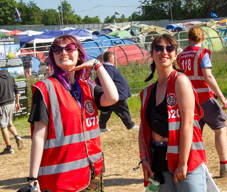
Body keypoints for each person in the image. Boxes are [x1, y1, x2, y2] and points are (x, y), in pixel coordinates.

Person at [27, 35, 118, 192]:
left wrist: (97, 65)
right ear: (52, 56)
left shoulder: (87, 87)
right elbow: (38, 136)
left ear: (79, 54)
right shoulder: (45, 89)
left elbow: (113, 97)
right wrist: (33, 178)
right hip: (61, 179)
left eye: (69, 48)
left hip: (92, 173)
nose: (63, 52)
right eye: (57, 49)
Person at [138, 34, 211, 192]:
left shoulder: (180, 81)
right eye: (159, 48)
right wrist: (143, 159)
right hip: (159, 160)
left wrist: (183, 163)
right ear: (151, 54)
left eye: (169, 48)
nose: (164, 52)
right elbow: (143, 129)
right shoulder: (147, 92)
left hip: (186, 160)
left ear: (175, 54)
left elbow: (188, 123)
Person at [177, 26, 227, 178]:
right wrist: (222, 97)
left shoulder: (180, 56)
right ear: (202, 38)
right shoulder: (202, 53)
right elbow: (208, 76)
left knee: (193, 135)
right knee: (220, 129)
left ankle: (194, 168)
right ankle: (225, 167)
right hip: (205, 99)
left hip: (188, 101)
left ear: (189, 38)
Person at [95, 51, 139, 132]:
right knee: (122, 109)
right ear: (110, 59)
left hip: (115, 94)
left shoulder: (107, 67)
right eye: (114, 58)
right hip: (117, 94)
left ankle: (101, 126)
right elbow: (107, 81)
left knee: (107, 110)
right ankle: (130, 125)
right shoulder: (107, 68)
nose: (115, 60)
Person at [0, 68, 24, 154]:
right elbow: (17, 90)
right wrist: (17, 103)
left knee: (3, 126)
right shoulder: (10, 76)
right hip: (11, 103)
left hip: (3, 104)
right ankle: (17, 137)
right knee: (9, 123)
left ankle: (9, 148)